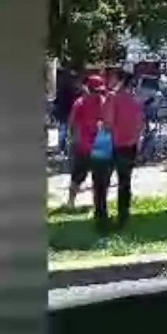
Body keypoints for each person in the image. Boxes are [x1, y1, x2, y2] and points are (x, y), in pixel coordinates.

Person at [66, 75, 113, 237]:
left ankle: (71, 203)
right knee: (98, 179)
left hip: (85, 147)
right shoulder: (105, 102)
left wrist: (72, 139)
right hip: (99, 148)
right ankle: (97, 207)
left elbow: (71, 123)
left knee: (78, 176)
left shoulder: (80, 102)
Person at [104, 71, 144, 229]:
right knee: (125, 182)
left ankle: (102, 215)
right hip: (130, 145)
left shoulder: (112, 97)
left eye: (112, 78)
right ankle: (124, 215)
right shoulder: (136, 100)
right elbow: (140, 125)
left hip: (113, 144)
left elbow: (108, 122)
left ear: (120, 81)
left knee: (103, 181)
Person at [53, 71, 78, 156]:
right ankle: (65, 148)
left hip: (63, 112)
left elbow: (56, 101)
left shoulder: (62, 88)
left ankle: (62, 148)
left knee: (63, 131)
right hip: (67, 112)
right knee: (67, 131)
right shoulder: (72, 90)